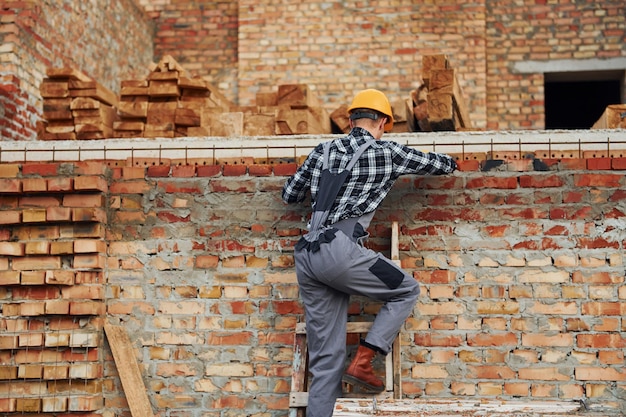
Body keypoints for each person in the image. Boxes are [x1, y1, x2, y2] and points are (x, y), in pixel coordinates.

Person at [282, 89, 457, 417]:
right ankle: (364, 361)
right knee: (407, 289)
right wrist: (454, 158)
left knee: (325, 363)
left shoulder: (322, 149)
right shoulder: (389, 151)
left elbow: (290, 194)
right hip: (340, 251)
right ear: (384, 122)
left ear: (349, 121)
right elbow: (441, 165)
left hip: (307, 255)